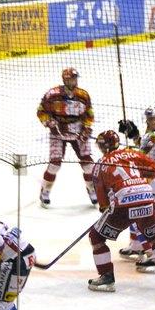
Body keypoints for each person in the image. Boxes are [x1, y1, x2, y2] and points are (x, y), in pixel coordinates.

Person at [88, 130, 155, 292]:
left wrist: (109, 207)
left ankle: (106, 277)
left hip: (123, 204)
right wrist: (139, 184)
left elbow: (103, 203)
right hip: (146, 197)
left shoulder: (100, 165)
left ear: (101, 147)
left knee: (96, 236)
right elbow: (153, 168)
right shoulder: (131, 153)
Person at [117, 106, 155, 272]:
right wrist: (135, 134)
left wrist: (118, 149)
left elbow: (139, 156)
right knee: (134, 208)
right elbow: (144, 144)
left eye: (151, 119)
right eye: (148, 119)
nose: (148, 122)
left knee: (143, 218)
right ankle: (137, 246)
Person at [36, 67, 97, 208]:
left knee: (88, 165)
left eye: (75, 78)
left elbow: (89, 114)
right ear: (65, 79)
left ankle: (92, 189)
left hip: (78, 131)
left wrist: (87, 128)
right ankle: (45, 191)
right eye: (71, 79)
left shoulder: (83, 95)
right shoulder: (52, 95)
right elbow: (41, 111)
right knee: (54, 165)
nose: (74, 81)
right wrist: (50, 124)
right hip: (58, 132)